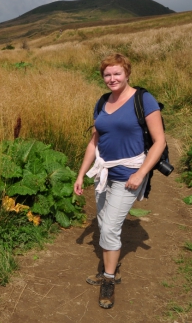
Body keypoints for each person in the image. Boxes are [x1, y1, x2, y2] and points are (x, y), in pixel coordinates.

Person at [73, 53, 166, 309]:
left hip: (129, 174)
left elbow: (160, 142)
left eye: (117, 73)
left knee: (110, 228)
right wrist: (81, 173)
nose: (112, 78)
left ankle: (109, 278)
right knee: (103, 223)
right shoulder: (102, 101)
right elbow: (95, 141)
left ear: (127, 74)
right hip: (105, 173)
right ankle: (112, 267)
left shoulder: (143, 99)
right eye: (107, 74)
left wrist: (140, 173)